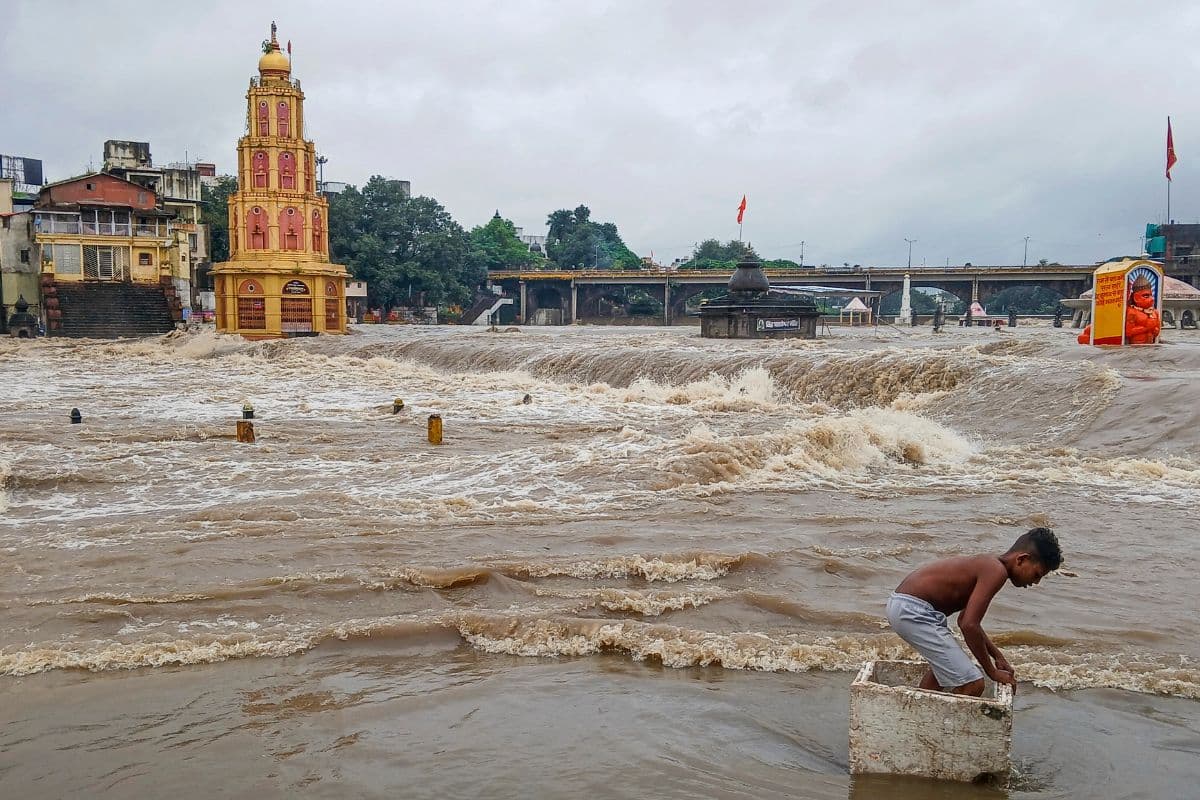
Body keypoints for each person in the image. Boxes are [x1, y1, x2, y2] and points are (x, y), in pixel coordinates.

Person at [886, 527, 1062, 696]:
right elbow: (969, 625)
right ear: (1021, 559)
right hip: (913, 610)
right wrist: (992, 671)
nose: (1036, 582)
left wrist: (997, 656)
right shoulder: (996, 571)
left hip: (909, 607)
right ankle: (936, 717)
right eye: (1037, 574)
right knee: (973, 683)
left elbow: (965, 620)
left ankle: (920, 711)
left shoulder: (991, 565)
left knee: (946, 669)